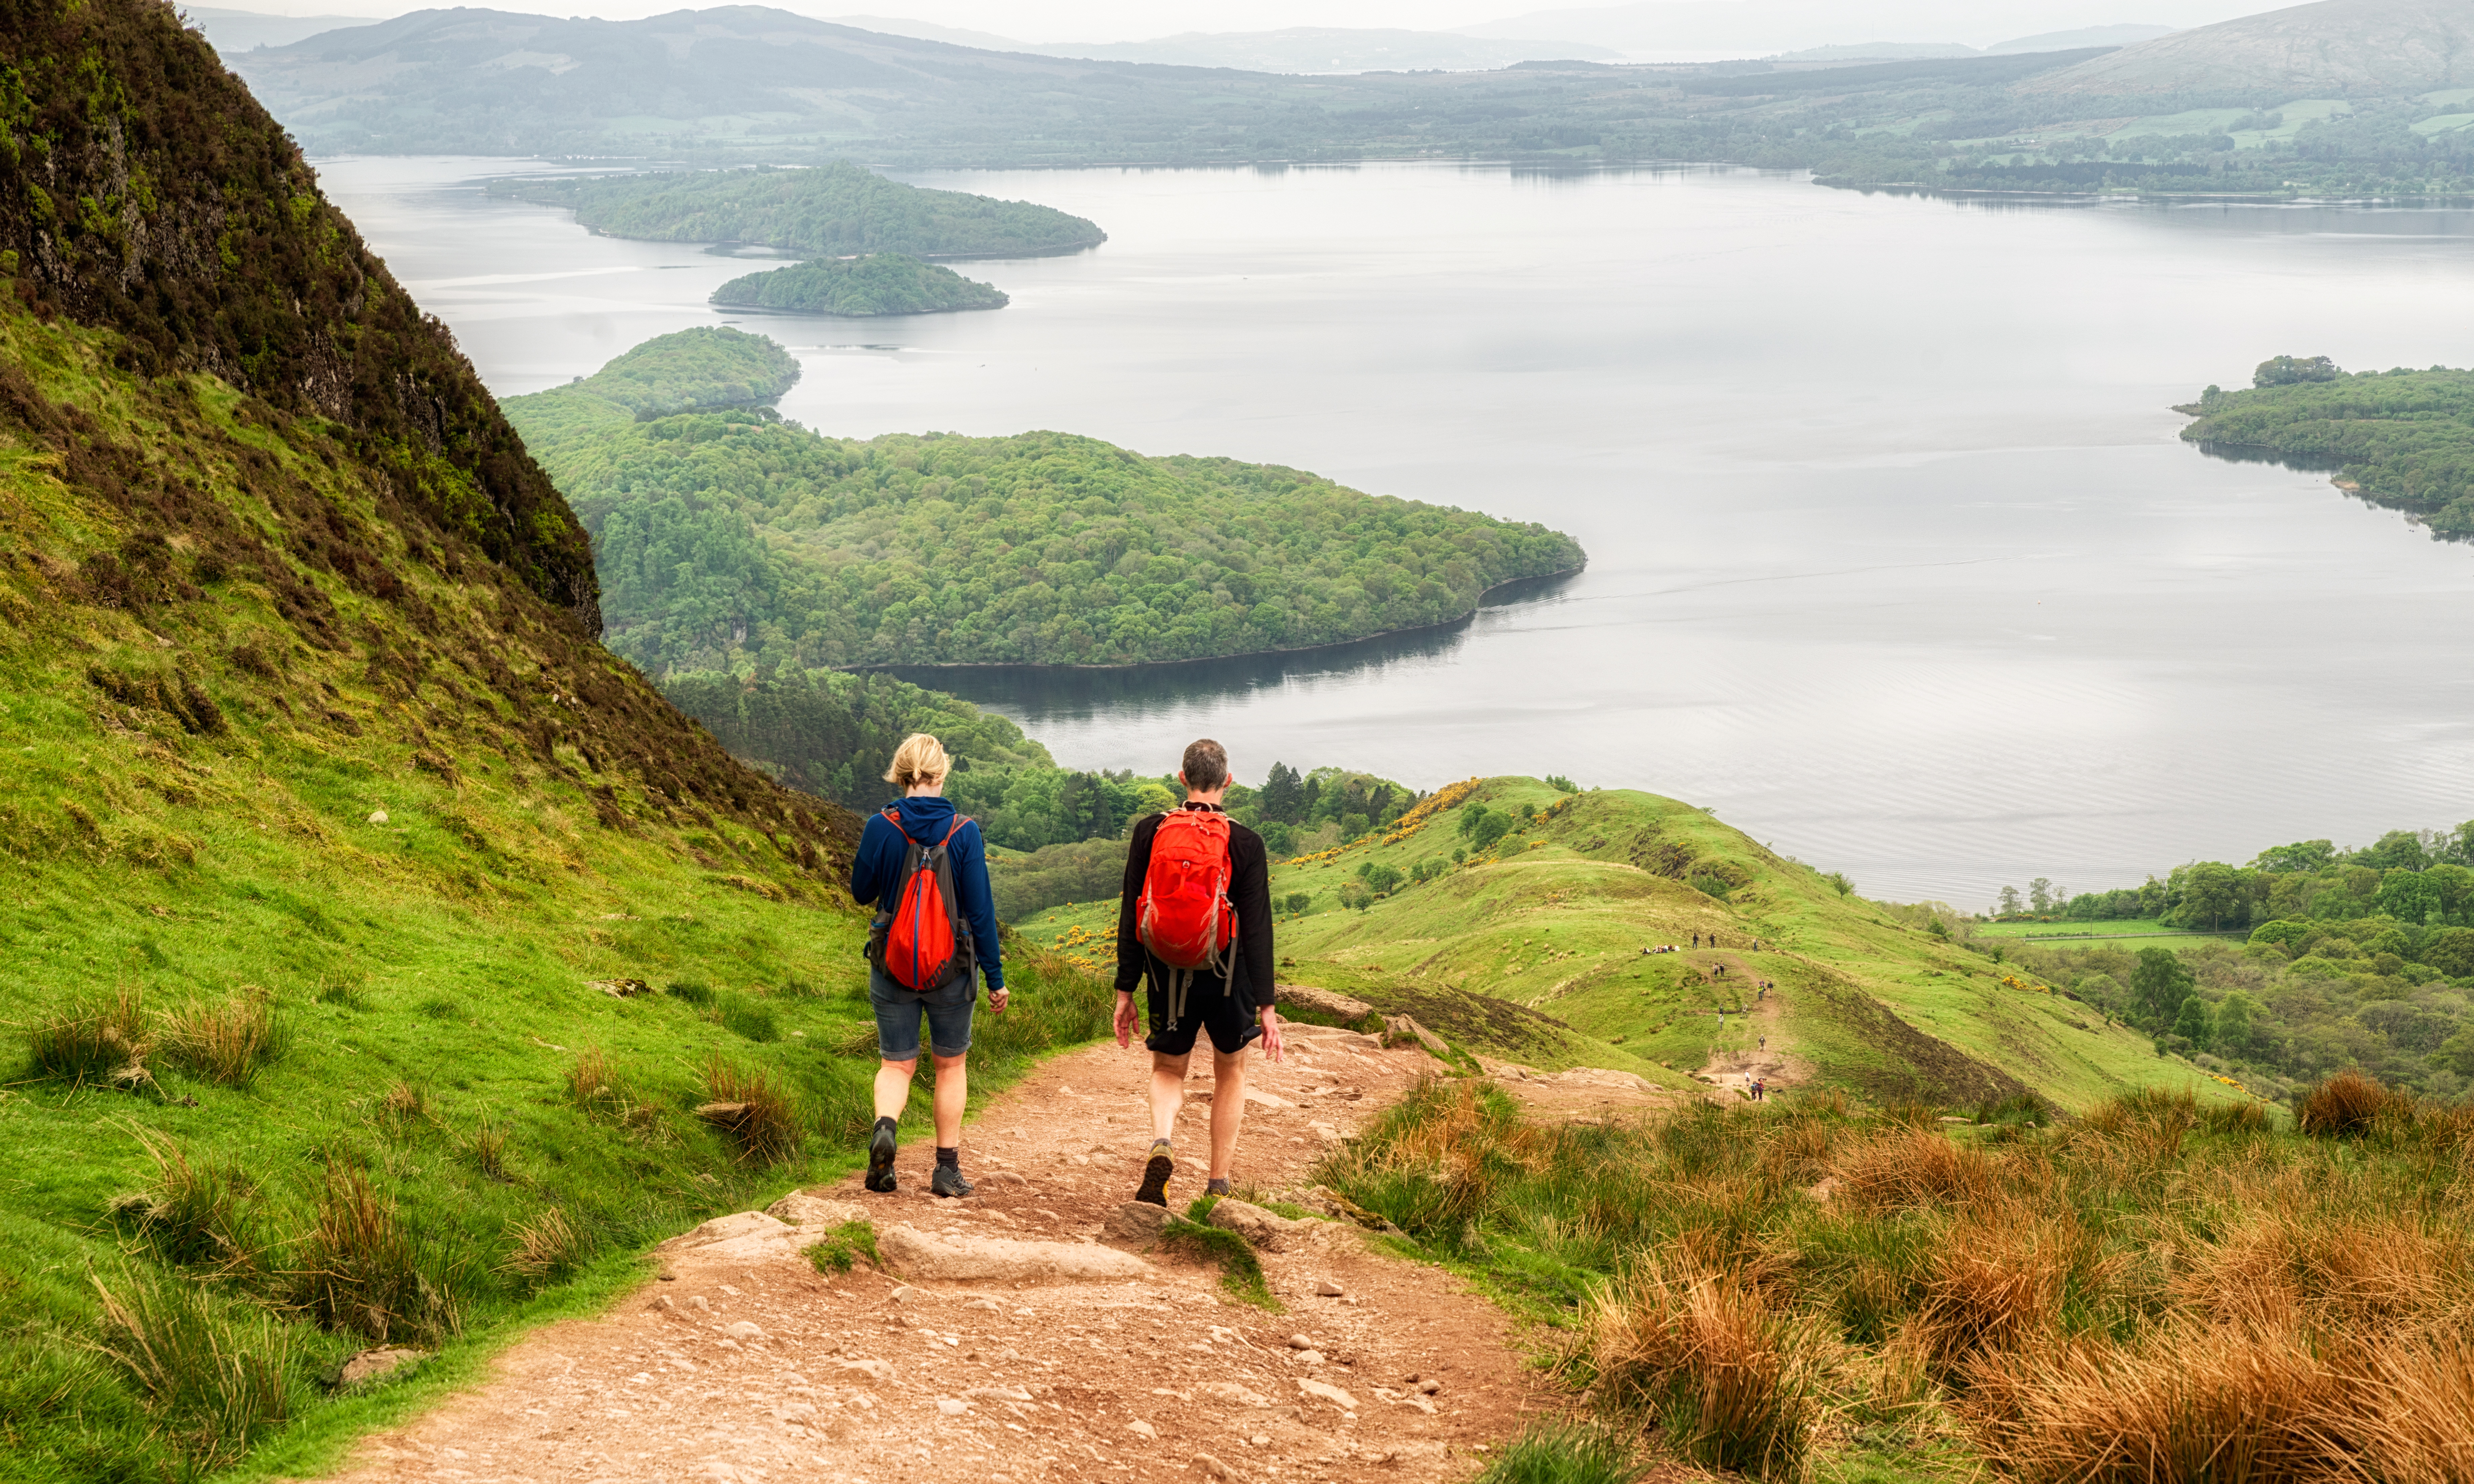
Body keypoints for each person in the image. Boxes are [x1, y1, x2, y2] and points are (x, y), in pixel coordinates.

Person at [1114, 738, 1281, 1205]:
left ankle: (1163, 1142)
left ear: (1183, 777)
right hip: (1230, 977)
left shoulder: (1150, 831)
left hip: (1166, 972)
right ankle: (1217, 1184)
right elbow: (1258, 928)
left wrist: (1126, 989)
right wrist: (1266, 1006)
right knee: (1231, 1069)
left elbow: (1131, 911)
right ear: (1227, 781)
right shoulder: (1245, 843)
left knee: (1169, 1067)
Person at [848, 733, 1005, 1199]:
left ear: (901, 775)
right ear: (941, 775)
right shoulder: (964, 831)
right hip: (952, 971)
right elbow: (980, 913)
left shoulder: (882, 826)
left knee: (896, 1065)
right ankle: (945, 1170)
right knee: (950, 1066)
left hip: (892, 963)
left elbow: (861, 891)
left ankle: (885, 1130)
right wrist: (995, 979)